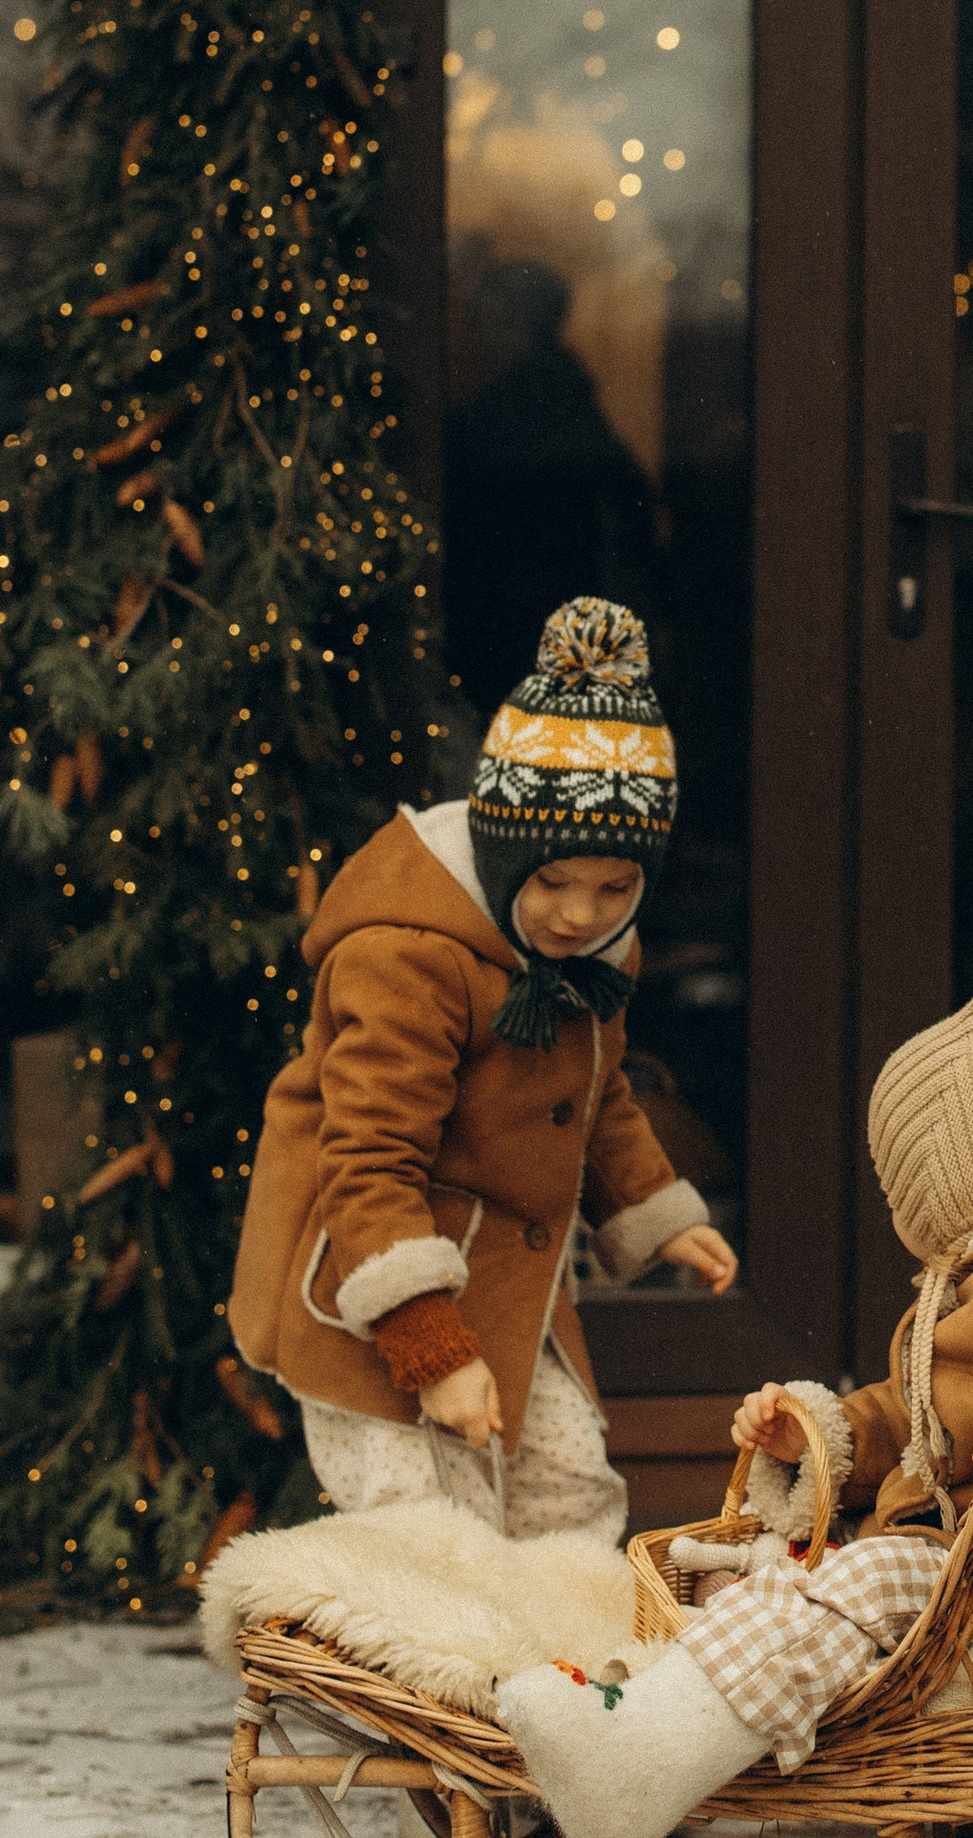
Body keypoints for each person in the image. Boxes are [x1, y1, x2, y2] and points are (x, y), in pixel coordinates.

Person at [497, 908, 973, 1838]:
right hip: (968, 1550)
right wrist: (823, 1433)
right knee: (761, 1572)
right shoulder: (971, 1279)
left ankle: (636, 1768)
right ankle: (637, 1714)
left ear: (970, 1171)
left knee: (856, 1582)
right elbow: (918, 1414)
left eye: (906, 1186)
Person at [229, 594, 734, 1552]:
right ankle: (420, 1695)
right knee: (429, 1523)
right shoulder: (408, 956)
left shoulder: (595, 953)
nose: (582, 915)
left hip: (508, 1271)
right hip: (377, 1273)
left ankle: (567, 1681)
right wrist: (428, 1344)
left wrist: (657, 1209)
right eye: (553, 882)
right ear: (505, 850)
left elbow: (598, 1095)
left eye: (615, 887)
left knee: (567, 1486)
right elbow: (368, 1161)